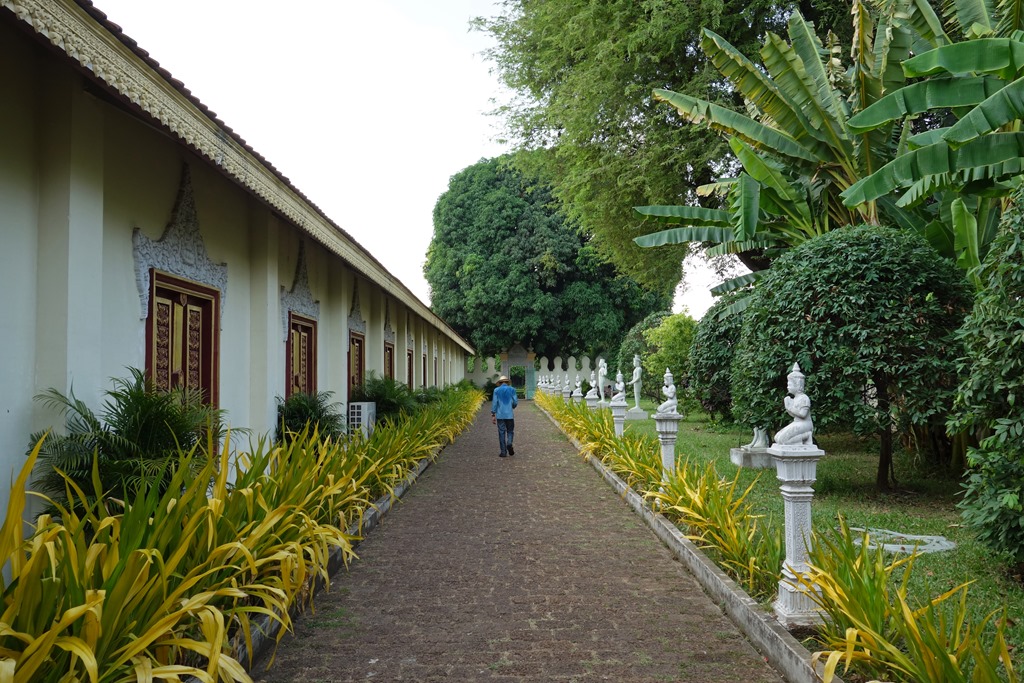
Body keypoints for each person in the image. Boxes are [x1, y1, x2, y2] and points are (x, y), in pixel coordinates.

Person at [774, 363, 814, 445]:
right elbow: (794, 415)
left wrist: (790, 408)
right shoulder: (794, 399)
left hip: (805, 424)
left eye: (790, 385)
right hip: (797, 422)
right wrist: (787, 407)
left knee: (783, 440)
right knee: (777, 437)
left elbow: (802, 414)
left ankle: (806, 436)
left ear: (798, 385)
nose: (788, 387)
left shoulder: (804, 398)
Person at [491, 375, 518, 457]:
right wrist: (512, 406)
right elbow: (515, 402)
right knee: (510, 431)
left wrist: (493, 414)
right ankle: (509, 443)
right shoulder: (512, 389)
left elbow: (495, 403)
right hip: (509, 415)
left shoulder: (496, 390)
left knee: (501, 432)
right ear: (507, 382)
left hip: (500, 415)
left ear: (500, 382)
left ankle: (503, 452)